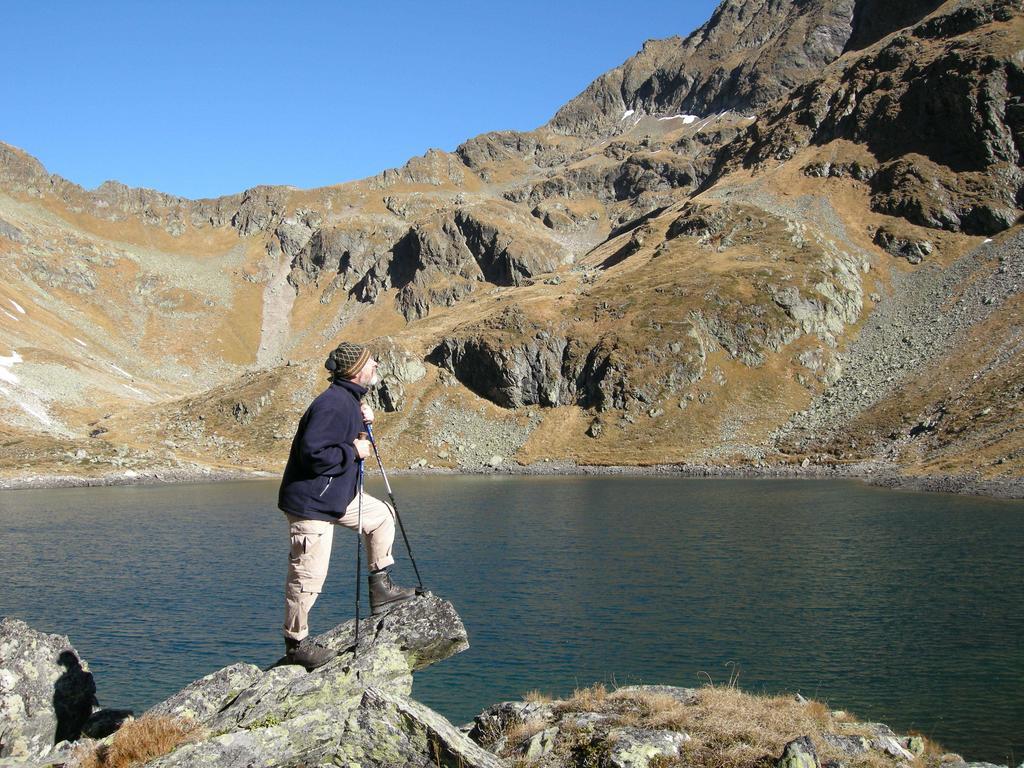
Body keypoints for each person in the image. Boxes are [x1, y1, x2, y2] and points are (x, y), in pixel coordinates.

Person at [277, 341, 416, 670]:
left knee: (381, 516)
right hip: (311, 504)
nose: (376, 367)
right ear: (356, 371)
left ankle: (380, 589)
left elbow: (340, 440)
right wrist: (354, 451)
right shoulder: (333, 404)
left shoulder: (348, 401)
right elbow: (313, 453)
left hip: (336, 497)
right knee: (308, 575)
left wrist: (362, 422)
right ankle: (296, 645)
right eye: (372, 364)